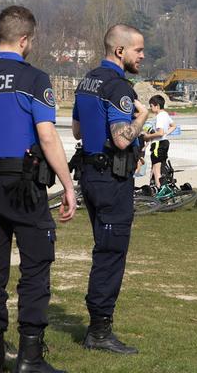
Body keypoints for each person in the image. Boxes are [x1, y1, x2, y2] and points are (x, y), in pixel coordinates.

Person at [0, 6, 76, 373]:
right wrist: (69, 185)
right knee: (35, 269)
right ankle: (29, 357)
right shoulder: (34, 78)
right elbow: (47, 135)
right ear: (24, 39)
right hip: (24, 186)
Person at [72, 23, 147, 355]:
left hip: (90, 174)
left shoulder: (87, 81)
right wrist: (141, 118)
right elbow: (120, 138)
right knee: (110, 253)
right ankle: (99, 330)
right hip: (111, 180)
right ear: (120, 51)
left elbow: (76, 129)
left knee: (104, 247)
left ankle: (98, 325)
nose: (142, 56)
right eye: (138, 50)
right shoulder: (118, 87)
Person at [144, 95, 175, 187]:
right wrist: (166, 133)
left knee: (157, 170)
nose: (151, 108)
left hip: (158, 144)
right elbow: (173, 125)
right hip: (164, 142)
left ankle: (159, 191)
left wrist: (148, 136)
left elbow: (160, 133)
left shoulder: (159, 116)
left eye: (151, 106)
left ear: (156, 106)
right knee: (157, 167)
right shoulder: (165, 114)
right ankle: (154, 186)